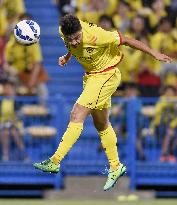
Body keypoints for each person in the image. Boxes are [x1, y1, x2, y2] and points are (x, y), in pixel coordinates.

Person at [34, 14, 172, 191]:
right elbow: (73, 46)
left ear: (81, 30)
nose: (75, 42)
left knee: (76, 113)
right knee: (101, 124)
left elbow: (127, 40)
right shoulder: (64, 32)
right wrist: (68, 56)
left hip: (107, 75)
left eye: (77, 37)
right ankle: (116, 166)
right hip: (91, 77)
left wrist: (154, 53)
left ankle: (55, 160)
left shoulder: (98, 36)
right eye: (71, 39)